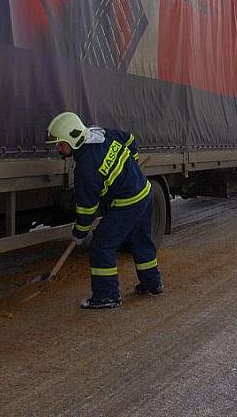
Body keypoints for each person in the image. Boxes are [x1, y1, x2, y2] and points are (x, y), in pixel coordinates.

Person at [46, 111, 163, 309]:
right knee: (141, 240)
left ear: (73, 139)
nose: (58, 149)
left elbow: (86, 209)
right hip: (144, 192)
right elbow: (129, 138)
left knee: (101, 245)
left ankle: (106, 296)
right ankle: (152, 284)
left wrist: (78, 234)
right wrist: (132, 164)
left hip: (128, 202)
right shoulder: (101, 135)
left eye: (60, 144)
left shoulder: (85, 168)